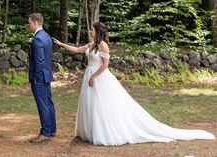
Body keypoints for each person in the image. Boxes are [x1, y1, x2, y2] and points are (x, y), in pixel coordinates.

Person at [53, 22, 215, 146]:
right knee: (90, 104)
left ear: (98, 32)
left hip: (99, 77)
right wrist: (60, 44)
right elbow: (76, 50)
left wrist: (93, 76)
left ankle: (104, 133)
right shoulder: (92, 45)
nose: (90, 31)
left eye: (92, 30)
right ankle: (89, 132)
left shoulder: (103, 45)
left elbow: (105, 65)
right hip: (90, 75)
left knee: (102, 105)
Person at [28, 13, 56, 143]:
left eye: (29, 23)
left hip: (39, 77)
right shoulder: (46, 36)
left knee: (43, 105)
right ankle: (51, 130)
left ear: (35, 23)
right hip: (46, 75)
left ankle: (45, 133)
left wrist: (35, 78)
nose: (29, 25)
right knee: (48, 103)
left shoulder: (38, 39)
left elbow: (39, 61)